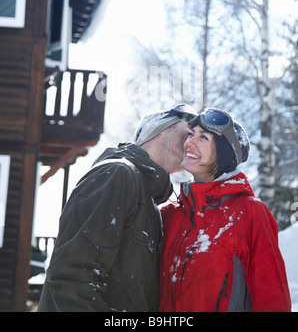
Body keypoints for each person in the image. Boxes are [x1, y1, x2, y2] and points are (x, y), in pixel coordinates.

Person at [37, 104, 197, 312]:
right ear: (161, 128)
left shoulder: (152, 207)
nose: (193, 141)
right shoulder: (117, 174)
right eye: (189, 130)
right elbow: (71, 280)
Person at [159, 108, 291, 312]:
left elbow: (272, 297)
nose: (189, 142)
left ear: (222, 156)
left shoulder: (249, 213)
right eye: (190, 134)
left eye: (203, 137)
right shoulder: (170, 214)